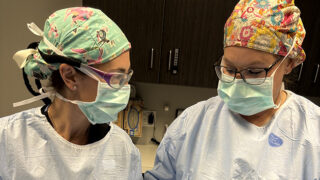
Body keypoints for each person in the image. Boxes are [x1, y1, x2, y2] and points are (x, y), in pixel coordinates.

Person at [144, 0, 320, 179]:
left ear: (289, 63)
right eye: (228, 68)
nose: (237, 82)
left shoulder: (312, 132)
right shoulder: (192, 123)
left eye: (254, 71)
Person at [0, 7, 142, 179]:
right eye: (117, 77)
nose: (125, 87)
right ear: (70, 76)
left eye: (127, 76)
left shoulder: (123, 149)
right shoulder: (7, 140)